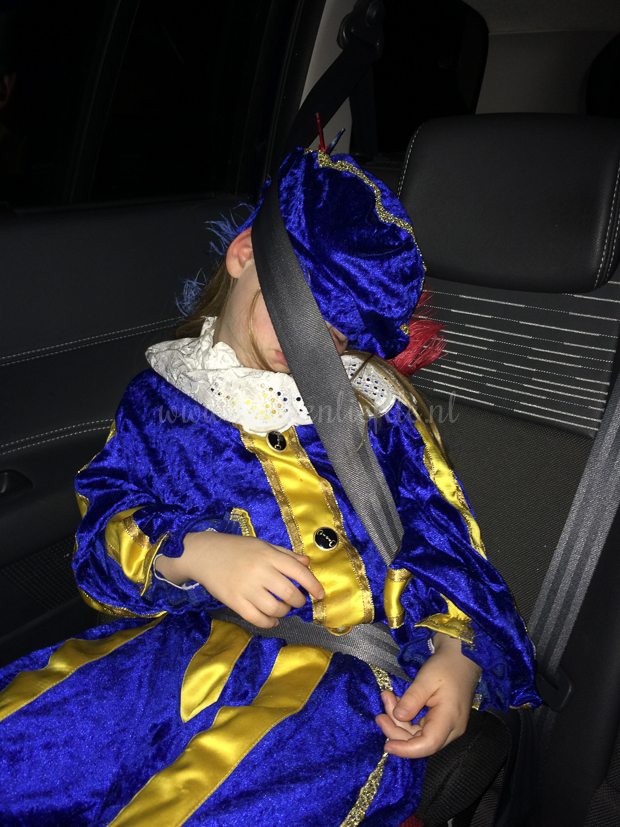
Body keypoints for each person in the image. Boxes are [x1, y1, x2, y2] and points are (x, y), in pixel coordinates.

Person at [0, 145, 539, 826]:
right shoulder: (163, 397)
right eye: (303, 307)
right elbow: (107, 522)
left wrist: (458, 654)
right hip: (174, 657)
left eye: (341, 333)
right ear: (244, 255)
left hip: (346, 684)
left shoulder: (374, 407)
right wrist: (193, 553)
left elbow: (447, 537)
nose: (315, 341)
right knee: (29, 744)